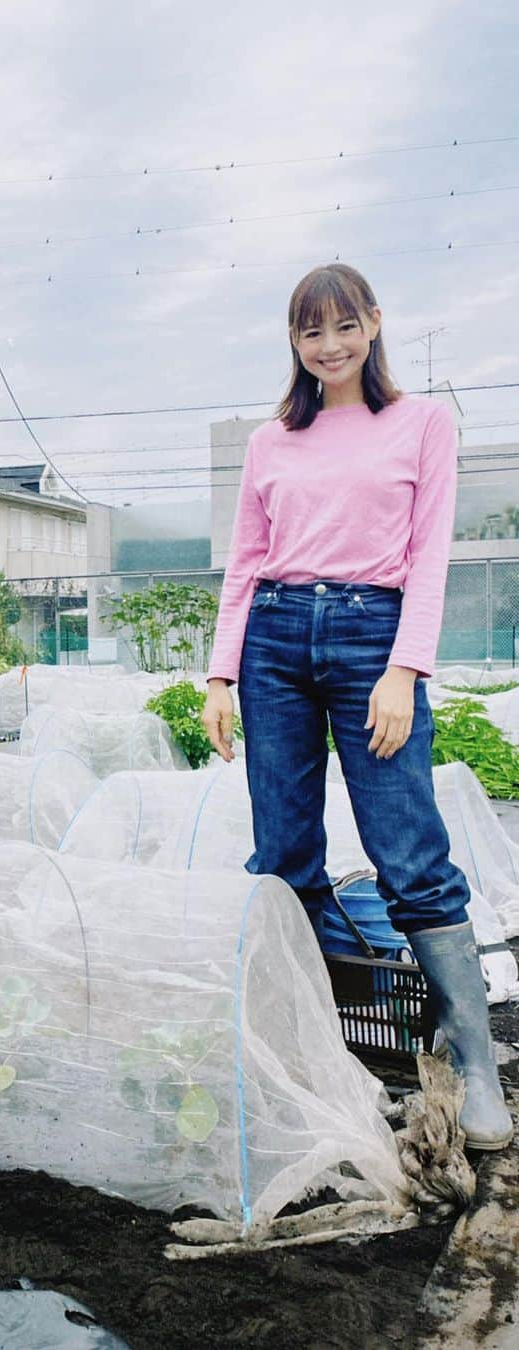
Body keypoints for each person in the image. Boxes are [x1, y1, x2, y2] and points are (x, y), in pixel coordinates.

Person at [201, 263, 512, 1150]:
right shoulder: (272, 442)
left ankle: (471, 1055)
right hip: (274, 641)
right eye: (311, 332)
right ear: (294, 343)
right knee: (284, 847)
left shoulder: (421, 423)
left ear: (374, 324)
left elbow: (428, 554)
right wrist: (221, 676)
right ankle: (306, 1037)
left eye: (344, 327)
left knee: (407, 847)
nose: (329, 346)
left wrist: (405, 669)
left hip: (373, 637)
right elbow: (244, 564)